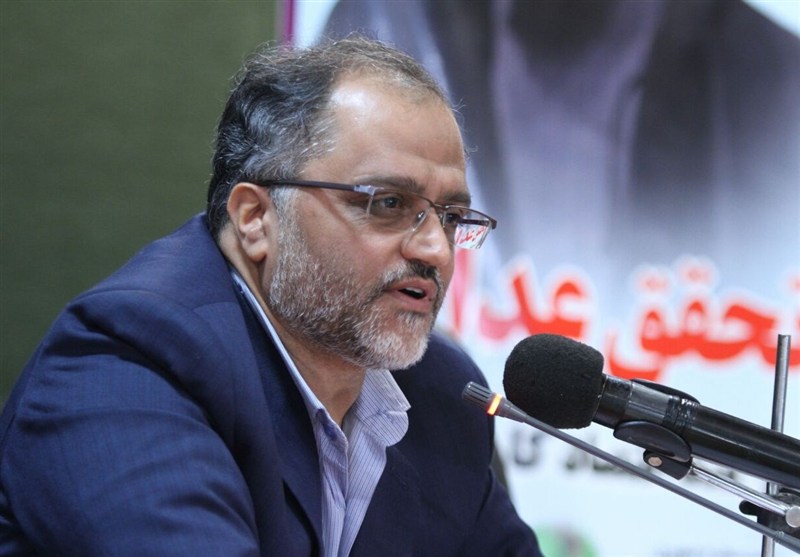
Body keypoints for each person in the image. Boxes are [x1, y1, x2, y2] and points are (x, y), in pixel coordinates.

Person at [0, 36, 542, 556]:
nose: (436, 250)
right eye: (388, 204)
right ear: (256, 218)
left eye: (451, 217)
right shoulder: (130, 364)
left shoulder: (440, 394)